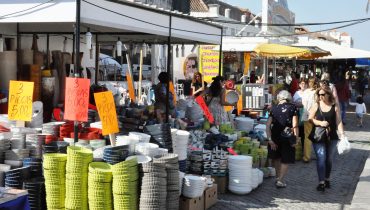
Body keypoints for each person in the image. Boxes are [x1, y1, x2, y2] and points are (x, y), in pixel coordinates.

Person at [308, 86, 345, 192]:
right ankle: (321, 182)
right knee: (321, 158)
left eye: (322, 94)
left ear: (328, 94)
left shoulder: (335, 106)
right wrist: (320, 123)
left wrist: (342, 134)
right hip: (319, 136)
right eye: (319, 94)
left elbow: (338, 121)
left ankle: (327, 179)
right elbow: (310, 118)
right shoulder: (316, 105)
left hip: (332, 136)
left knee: (328, 159)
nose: (320, 96)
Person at [266, 90, 299, 188]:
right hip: (287, 136)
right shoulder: (293, 108)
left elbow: (267, 125)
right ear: (288, 98)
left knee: (277, 157)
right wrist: (295, 139)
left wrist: (270, 139)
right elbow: (295, 125)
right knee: (286, 159)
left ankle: (277, 177)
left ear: (279, 98)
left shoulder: (274, 108)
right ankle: (280, 180)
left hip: (275, 135)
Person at [301, 77, 318, 163]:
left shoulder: (306, 92)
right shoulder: (317, 92)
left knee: (307, 136)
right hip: (316, 116)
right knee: (317, 135)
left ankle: (307, 157)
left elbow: (303, 103)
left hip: (306, 115)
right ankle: (319, 154)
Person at [293, 78, 307, 156]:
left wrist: (300, 103)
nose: (303, 85)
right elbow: (293, 102)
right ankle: (298, 150)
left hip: (305, 114)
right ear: (299, 85)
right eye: (301, 83)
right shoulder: (297, 93)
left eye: (304, 83)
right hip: (298, 114)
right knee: (298, 130)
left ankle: (304, 151)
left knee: (304, 133)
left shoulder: (308, 92)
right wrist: (301, 103)